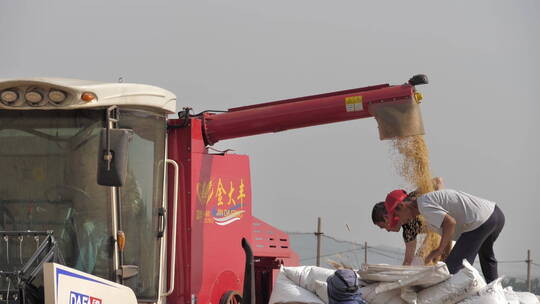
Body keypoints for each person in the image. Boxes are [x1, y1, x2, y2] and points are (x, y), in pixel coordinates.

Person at [386, 188, 505, 283]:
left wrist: (439, 250)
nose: (400, 220)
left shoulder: (423, 206)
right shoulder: (425, 202)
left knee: (452, 270)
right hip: (496, 214)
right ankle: (496, 292)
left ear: (402, 206)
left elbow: (450, 223)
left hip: (480, 221)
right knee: (486, 257)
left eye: (397, 216)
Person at [371, 177, 445, 265]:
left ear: (386, 217)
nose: (387, 230)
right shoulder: (408, 231)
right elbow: (407, 262)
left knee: (424, 255)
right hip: (441, 239)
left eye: (383, 227)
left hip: (451, 228)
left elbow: (437, 181)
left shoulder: (411, 201)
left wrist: (441, 205)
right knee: (417, 262)